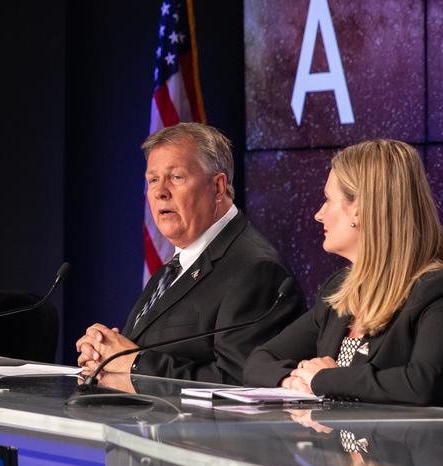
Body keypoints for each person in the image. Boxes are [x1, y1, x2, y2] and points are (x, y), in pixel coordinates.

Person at [243, 139, 443, 407]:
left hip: (406, 448)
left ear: (358, 209)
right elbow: (259, 361)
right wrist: (292, 381)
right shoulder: (340, 290)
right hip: (337, 444)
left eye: (328, 200)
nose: (319, 214)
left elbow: (424, 383)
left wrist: (323, 380)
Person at [75, 123, 305, 383]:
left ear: (218, 187)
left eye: (176, 177)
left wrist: (135, 363)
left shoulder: (256, 270)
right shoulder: (179, 263)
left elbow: (240, 384)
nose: (160, 192)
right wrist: (105, 352)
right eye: (153, 180)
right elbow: (141, 353)